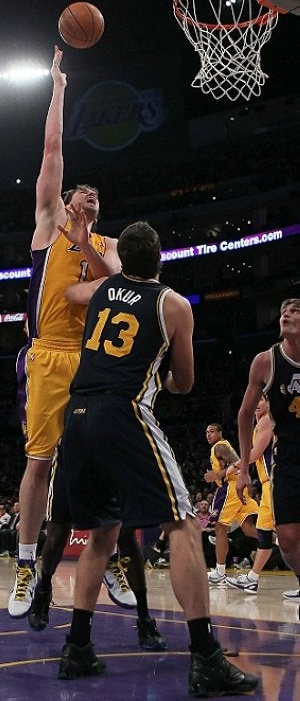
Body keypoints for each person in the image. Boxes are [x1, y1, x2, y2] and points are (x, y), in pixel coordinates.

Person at [56, 220, 258, 695]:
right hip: (123, 411)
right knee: (184, 524)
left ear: (122, 260)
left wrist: (82, 244)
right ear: (161, 257)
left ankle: (78, 648)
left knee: (101, 532)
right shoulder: (172, 304)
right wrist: (161, 386)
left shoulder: (103, 288)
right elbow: (184, 382)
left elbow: (71, 292)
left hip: (77, 415)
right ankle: (206, 658)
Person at [8, 46, 120, 619]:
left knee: (102, 461)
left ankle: (113, 554)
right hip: (49, 356)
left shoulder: (109, 246)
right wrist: (58, 90)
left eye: (96, 196)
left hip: (96, 359)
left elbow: (115, 282)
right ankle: (26, 565)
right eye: (81, 192)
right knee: (39, 463)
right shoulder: (49, 226)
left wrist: (85, 238)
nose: (88, 195)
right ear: (64, 200)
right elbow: (52, 152)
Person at [29, 445, 167, 651]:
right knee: (58, 533)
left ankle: (144, 618)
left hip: (113, 456)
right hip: (71, 456)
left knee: (126, 535)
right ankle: (44, 589)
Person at [237, 298, 300, 601]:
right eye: (282, 312)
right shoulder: (266, 361)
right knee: (286, 540)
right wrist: (241, 474)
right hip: (288, 459)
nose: (285, 315)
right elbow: (243, 414)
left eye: (294, 311)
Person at [226, 393, 275, 593]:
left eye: (260, 400)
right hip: (267, 486)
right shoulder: (260, 423)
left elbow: (256, 453)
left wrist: (234, 467)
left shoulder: (267, 421)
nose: (256, 404)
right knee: (264, 534)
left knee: (286, 535)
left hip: (276, 482)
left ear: (268, 402)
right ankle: (252, 579)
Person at [204, 424, 258, 586]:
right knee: (249, 529)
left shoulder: (219, 446)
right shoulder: (222, 446)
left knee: (220, 528)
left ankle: (220, 572)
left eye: (212, 432)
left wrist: (217, 475)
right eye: (206, 432)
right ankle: (280, 541)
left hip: (230, 488)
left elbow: (239, 463)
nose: (208, 435)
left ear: (220, 433)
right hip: (240, 489)